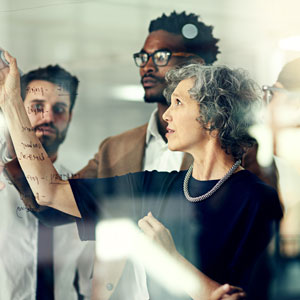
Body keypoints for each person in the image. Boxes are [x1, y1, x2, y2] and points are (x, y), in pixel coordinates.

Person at [0, 53, 282, 299]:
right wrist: (11, 101)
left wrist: (170, 259)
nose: (167, 115)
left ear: (212, 116)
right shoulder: (152, 185)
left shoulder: (258, 199)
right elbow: (48, 192)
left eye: (178, 103)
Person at [0, 65, 94, 300]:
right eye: (37, 107)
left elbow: (90, 280)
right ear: (18, 110)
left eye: (59, 109)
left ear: (70, 117)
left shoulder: (79, 192)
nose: (49, 117)